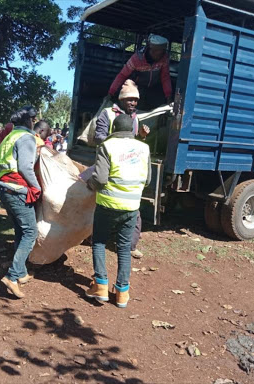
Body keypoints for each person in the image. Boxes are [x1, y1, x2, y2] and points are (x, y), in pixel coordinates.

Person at [85, 114, 151, 308]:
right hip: (131, 207)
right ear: (131, 130)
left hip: (107, 205)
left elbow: (100, 179)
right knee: (123, 248)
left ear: (113, 128)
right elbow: (147, 180)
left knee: (98, 242)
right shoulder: (143, 147)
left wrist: (89, 183)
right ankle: (122, 293)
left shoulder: (107, 146)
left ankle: (101, 287)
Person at [95, 79, 149, 258]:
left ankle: (130, 246)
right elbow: (98, 137)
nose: (133, 103)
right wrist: (117, 144)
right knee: (96, 204)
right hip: (107, 165)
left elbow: (133, 145)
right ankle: (91, 236)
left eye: (135, 100)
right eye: (129, 100)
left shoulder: (135, 118)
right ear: (121, 100)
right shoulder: (108, 113)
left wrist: (141, 137)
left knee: (133, 211)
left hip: (127, 170)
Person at [0, 106, 42, 299]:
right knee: (31, 232)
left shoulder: (9, 137)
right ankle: (12, 277)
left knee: (20, 231)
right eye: (34, 119)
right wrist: (36, 186)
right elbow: (25, 167)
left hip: (4, 189)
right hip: (17, 189)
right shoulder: (26, 138)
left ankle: (21, 272)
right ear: (30, 121)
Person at [109, 34, 172, 110]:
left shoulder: (164, 58)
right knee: (136, 107)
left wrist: (168, 95)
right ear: (151, 50)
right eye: (158, 53)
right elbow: (122, 75)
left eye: (162, 53)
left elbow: (165, 77)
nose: (160, 56)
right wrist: (111, 92)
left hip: (153, 87)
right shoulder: (136, 59)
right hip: (137, 87)